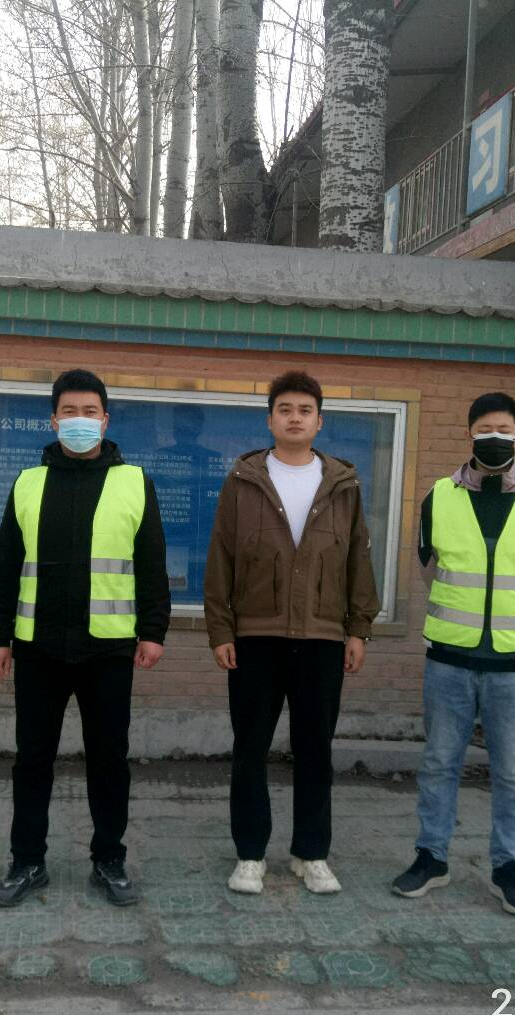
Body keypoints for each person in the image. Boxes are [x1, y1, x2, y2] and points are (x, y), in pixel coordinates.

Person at [0, 369, 170, 907]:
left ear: (105, 420)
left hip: (108, 649)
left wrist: (153, 631)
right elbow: (5, 567)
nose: (80, 420)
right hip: (38, 647)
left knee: (109, 760)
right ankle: (27, 861)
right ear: (54, 420)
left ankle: (109, 859)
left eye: (90, 412)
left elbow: (151, 565)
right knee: (32, 760)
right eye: (70, 411)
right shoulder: (28, 483)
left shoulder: (134, 482)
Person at [204, 370, 380, 896]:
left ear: (320, 421)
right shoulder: (243, 481)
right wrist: (221, 630)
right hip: (255, 638)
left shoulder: (342, 485)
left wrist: (358, 630)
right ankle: (250, 855)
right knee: (250, 748)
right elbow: (221, 558)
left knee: (315, 750)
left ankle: (311, 853)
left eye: (305, 410)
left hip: (323, 639)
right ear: (270, 420)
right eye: (285, 409)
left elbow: (358, 561)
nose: (295, 418)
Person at [393, 392, 515, 916]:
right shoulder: (439, 496)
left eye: (505, 429)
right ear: (469, 434)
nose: (495, 437)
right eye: (485, 428)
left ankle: (507, 867)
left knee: (512, 772)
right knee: (439, 763)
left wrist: (506, 616)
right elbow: (429, 567)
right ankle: (431, 858)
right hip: (450, 659)